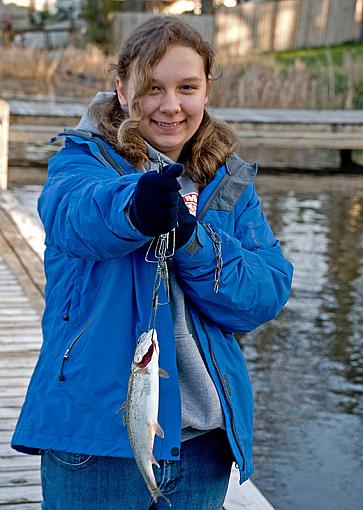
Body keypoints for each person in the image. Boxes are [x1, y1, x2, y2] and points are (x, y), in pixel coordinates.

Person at [11, 16, 293, 510]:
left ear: (207, 90)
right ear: (122, 90)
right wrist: (135, 206)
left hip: (202, 447)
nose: (170, 105)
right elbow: (74, 214)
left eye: (187, 87)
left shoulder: (229, 185)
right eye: (151, 88)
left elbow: (264, 292)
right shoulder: (81, 162)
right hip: (93, 442)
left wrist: (192, 241)